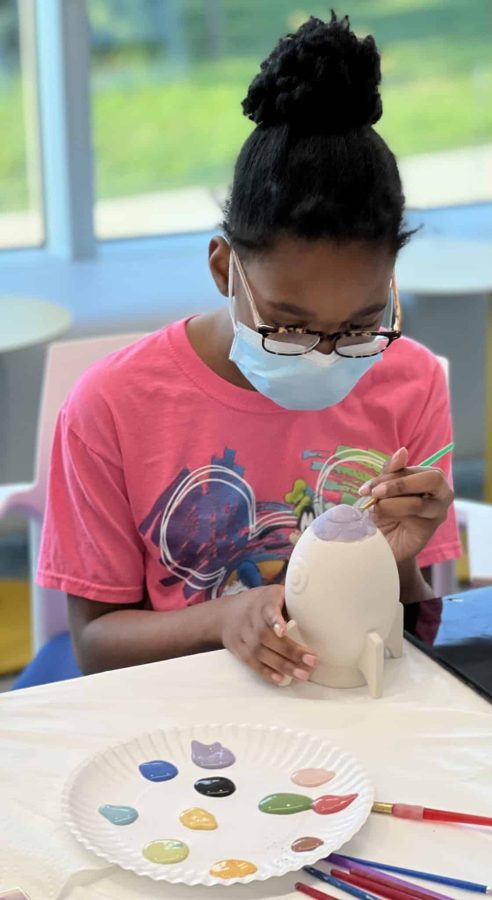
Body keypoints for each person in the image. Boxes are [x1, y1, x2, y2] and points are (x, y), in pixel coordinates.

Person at [35, 12, 461, 687]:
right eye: (288, 326)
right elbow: (94, 644)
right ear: (221, 268)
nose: (325, 356)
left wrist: (401, 560)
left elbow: (410, 626)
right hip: (182, 710)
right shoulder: (113, 406)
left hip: (342, 702)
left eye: (356, 327)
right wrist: (223, 617)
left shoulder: (408, 380)